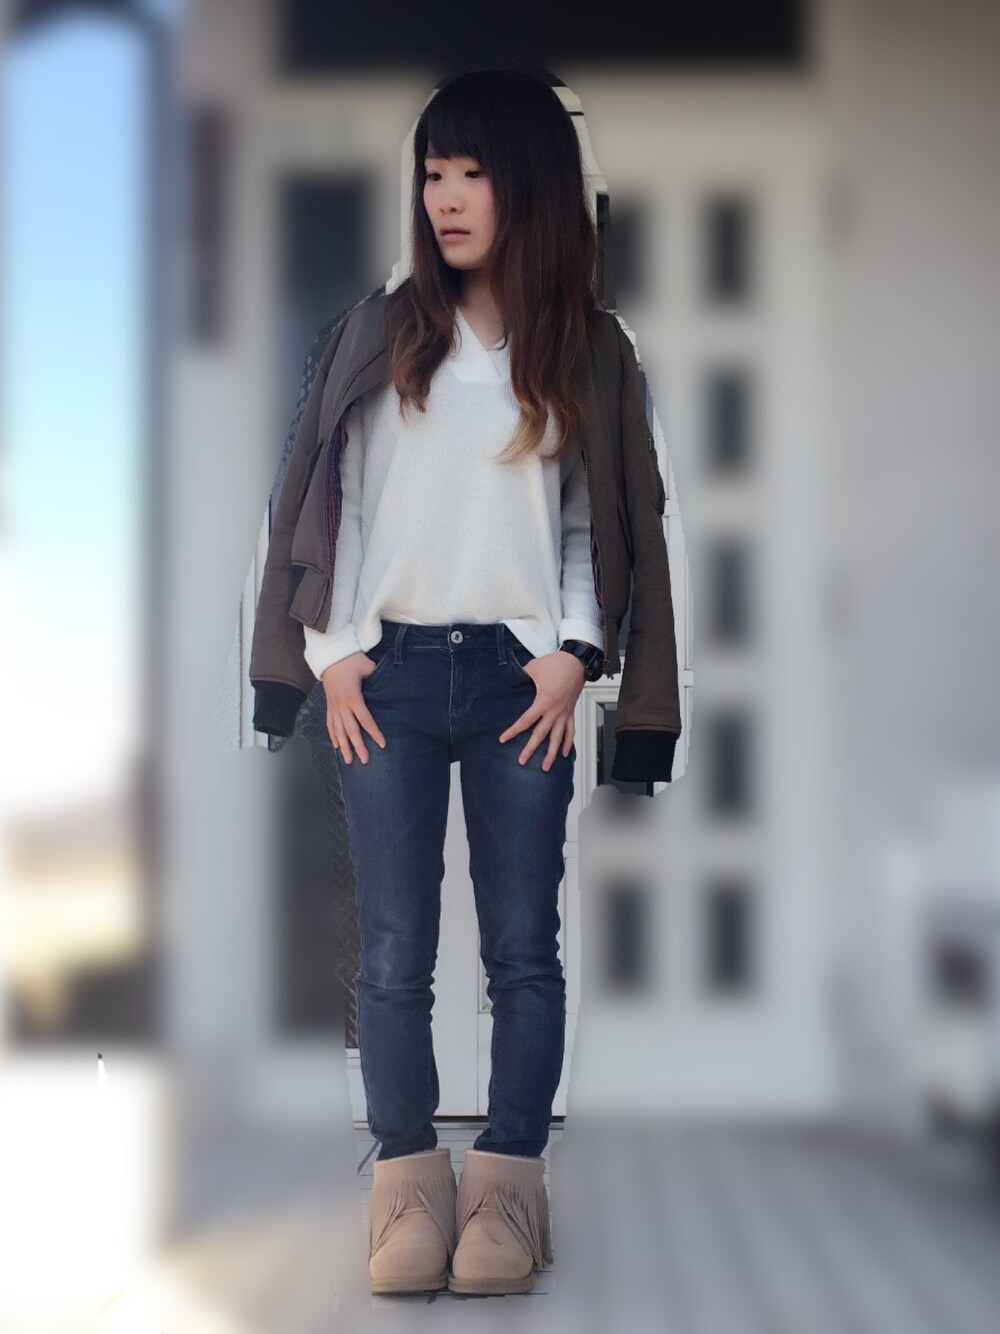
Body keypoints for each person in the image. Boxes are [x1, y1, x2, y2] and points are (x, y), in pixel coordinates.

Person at [272, 67, 676, 1298]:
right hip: (385, 678)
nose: (445, 197)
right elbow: (328, 503)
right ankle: (405, 1187)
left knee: (521, 951)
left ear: (531, 185)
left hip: (520, 681)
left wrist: (574, 653)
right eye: (432, 173)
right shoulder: (377, 332)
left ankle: (504, 1186)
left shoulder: (584, 349)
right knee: (394, 951)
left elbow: (592, 525)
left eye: (473, 172)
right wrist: (333, 655)